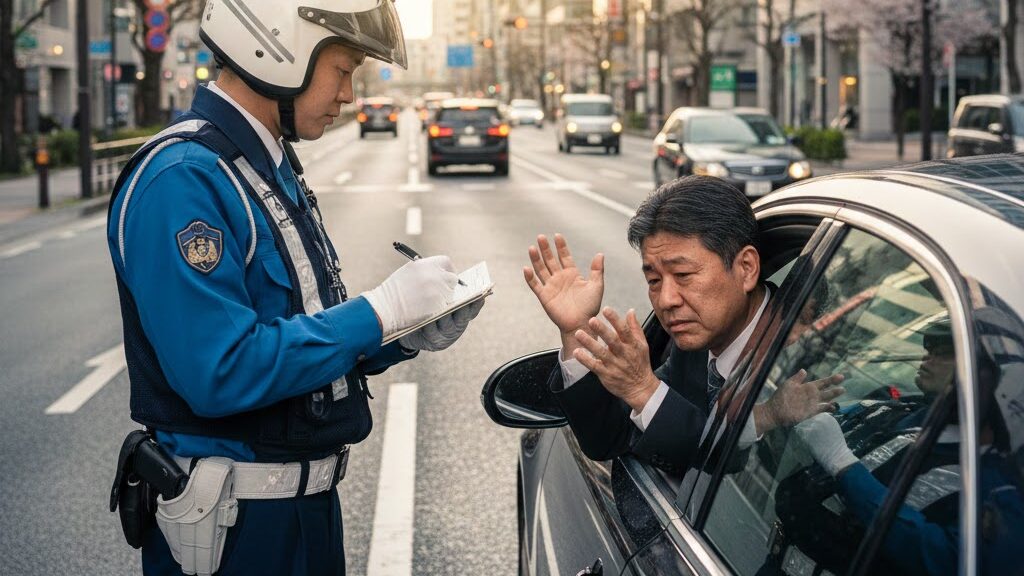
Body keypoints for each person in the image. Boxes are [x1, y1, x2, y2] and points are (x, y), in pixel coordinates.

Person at [106, 1, 483, 574]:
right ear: (279, 49)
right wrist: (379, 311)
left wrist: (402, 334)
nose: (349, 95)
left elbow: (297, 326)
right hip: (235, 530)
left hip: (301, 511)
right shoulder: (183, 178)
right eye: (343, 70)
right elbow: (221, 371)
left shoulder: (262, 162)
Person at [523, 176, 844, 475]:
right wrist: (576, 331)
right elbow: (611, 439)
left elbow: (733, 463)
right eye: (653, 279)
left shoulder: (803, 358)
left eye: (684, 275)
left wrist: (643, 389)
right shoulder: (691, 349)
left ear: (746, 268)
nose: (666, 299)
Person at [794, 312, 1024, 575]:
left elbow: (948, 561)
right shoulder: (902, 412)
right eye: (929, 347)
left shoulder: (1000, 486)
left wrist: (844, 465)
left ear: (993, 378)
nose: (928, 356)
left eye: (946, 351)